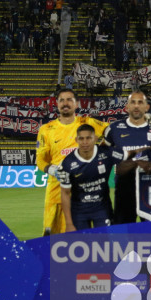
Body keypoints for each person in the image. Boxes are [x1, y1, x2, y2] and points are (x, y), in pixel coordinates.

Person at [35, 89, 108, 235]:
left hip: (83, 191)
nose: (65, 103)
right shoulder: (46, 130)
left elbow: (112, 132)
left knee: (81, 238)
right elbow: (40, 159)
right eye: (61, 100)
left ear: (77, 104)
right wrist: (51, 170)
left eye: (69, 100)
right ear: (57, 104)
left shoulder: (87, 123)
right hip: (56, 190)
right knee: (50, 237)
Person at [103, 91, 151, 224]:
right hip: (123, 190)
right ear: (127, 107)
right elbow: (103, 153)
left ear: (146, 107)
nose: (136, 106)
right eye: (133, 102)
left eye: (140, 102)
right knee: (123, 235)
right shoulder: (114, 129)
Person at [58, 124, 123, 231]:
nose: (85, 142)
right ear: (76, 140)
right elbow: (65, 193)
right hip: (79, 211)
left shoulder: (106, 153)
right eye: (81, 138)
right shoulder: (67, 163)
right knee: (82, 244)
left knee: (104, 243)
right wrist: (69, 223)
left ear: (95, 139)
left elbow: (129, 154)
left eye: (88, 138)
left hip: (102, 209)